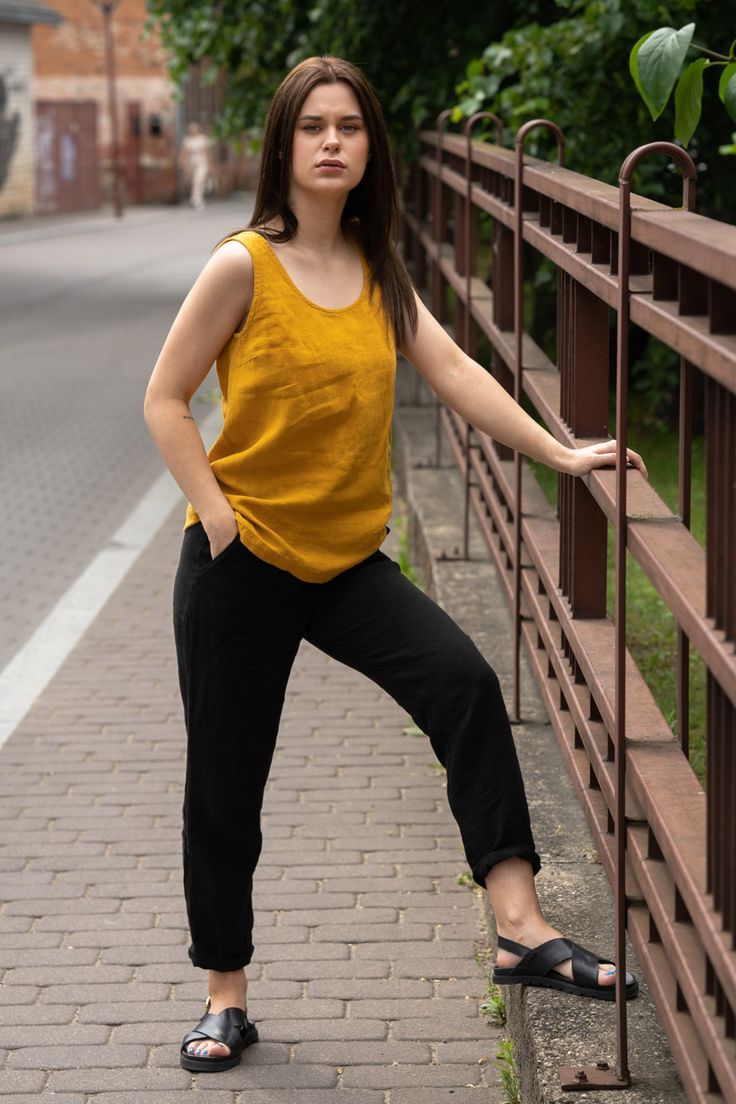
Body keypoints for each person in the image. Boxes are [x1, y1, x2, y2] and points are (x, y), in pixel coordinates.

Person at [144, 54, 647, 1074]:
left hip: (343, 560)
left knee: (462, 684)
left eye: (351, 127)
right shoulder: (241, 264)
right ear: (283, 145)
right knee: (226, 785)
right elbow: (164, 398)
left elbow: (453, 367)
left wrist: (557, 450)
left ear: (369, 147)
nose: (333, 142)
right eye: (312, 127)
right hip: (240, 567)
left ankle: (519, 925)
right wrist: (216, 515)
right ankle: (224, 998)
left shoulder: (379, 268)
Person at [178, 121, 212, 209]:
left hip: (201, 160)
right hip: (191, 161)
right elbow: (184, 152)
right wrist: (182, 162)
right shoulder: (187, 139)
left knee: (199, 179)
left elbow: (207, 151)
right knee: (193, 181)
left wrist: (209, 164)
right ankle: (197, 198)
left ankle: (196, 199)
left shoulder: (203, 138)